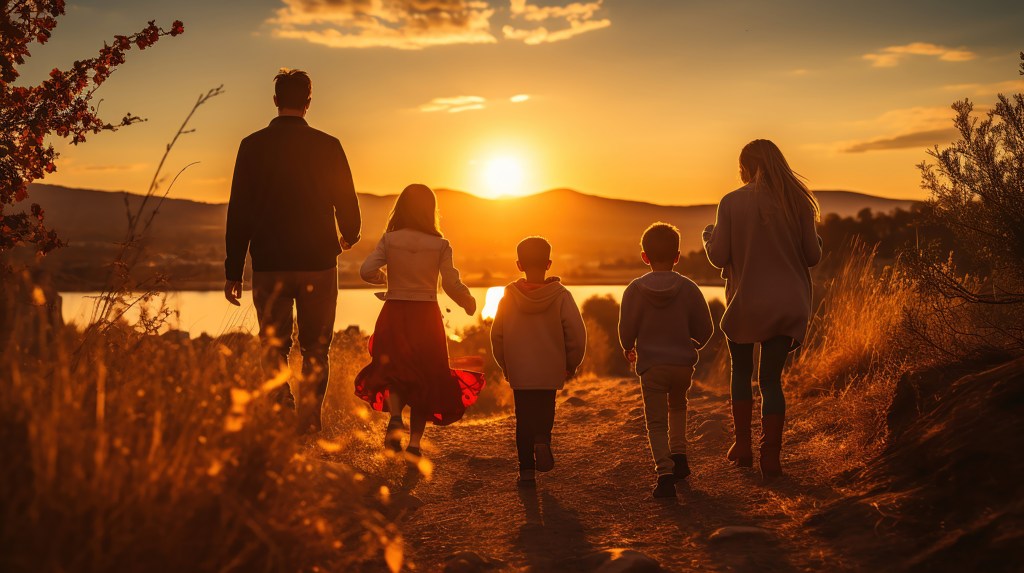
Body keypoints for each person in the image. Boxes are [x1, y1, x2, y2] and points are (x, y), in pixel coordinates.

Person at [224, 69, 361, 433]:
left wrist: (233, 269)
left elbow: (239, 210)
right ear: (308, 102)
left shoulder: (251, 145)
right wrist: (349, 236)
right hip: (318, 262)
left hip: (269, 264)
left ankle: (282, 406)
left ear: (275, 101)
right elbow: (346, 199)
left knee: (274, 346)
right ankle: (310, 422)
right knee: (317, 348)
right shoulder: (327, 145)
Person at [703, 139, 822, 479]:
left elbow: (718, 256)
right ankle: (771, 455)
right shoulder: (798, 202)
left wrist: (707, 236)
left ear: (747, 166)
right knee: (771, 381)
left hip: (746, 304)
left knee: (740, 374)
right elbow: (812, 257)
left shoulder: (731, 202)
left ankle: (742, 447)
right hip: (788, 304)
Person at [355, 184, 484, 458]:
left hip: (395, 312)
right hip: (426, 317)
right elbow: (451, 283)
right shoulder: (440, 245)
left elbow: (366, 270)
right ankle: (414, 445)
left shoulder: (389, 240)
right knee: (427, 377)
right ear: (430, 210)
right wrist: (467, 300)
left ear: (401, 207)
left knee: (394, 372)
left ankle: (394, 419)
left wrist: (384, 279)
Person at [618, 223, 714, 498]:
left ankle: (665, 473)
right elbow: (706, 328)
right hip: (682, 365)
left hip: (652, 366)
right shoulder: (689, 288)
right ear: (677, 256)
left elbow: (626, 329)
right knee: (678, 406)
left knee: (656, 421)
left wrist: (628, 346)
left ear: (644, 257)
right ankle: (680, 456)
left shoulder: (634, 290)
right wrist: (694, 343)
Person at [490, 236, 587, 487]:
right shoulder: (561, 295)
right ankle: (543, 439)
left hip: (520, 370)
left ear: (519, 264)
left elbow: (497, 335)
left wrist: (505, 364)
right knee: (545, 409)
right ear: (549, 264)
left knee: (523, 419)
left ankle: (526, 473)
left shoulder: (508, 296)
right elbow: (576, 333)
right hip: (550, 367)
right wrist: (571, 363)